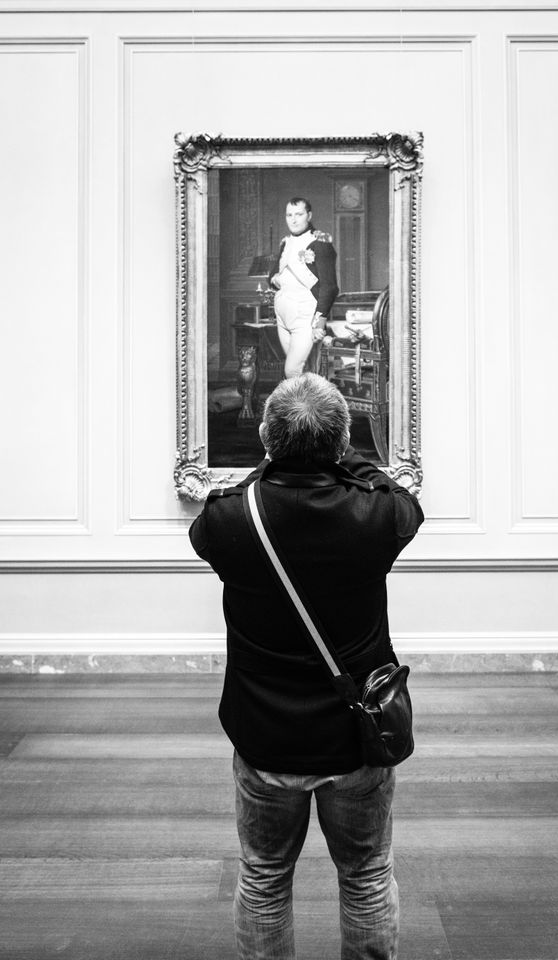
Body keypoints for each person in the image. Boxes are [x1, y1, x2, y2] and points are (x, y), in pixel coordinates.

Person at [188, 373, 424, 960]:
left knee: (264, 878)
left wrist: (269, 463)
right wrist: (350, 458)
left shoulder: (228, 521)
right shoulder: (377, 519)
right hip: (354, 739)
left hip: (266, 738)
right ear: (342, 443)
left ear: (267, 440)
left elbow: (230, 504)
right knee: (367, 876)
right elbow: (403, 501)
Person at [268, 197, 339, 378]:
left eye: (298, 214)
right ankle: (306, 406)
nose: (293, 219)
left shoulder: (320, 242)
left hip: (304, 313)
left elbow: (329, 287)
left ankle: (298, 406)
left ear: (309, 215)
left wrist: (319, 322)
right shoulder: (286, 242)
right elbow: (272, 275)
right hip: (282, 313)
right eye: (289, 215)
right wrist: (276, 279)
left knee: (292, 370)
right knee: (301, 372)